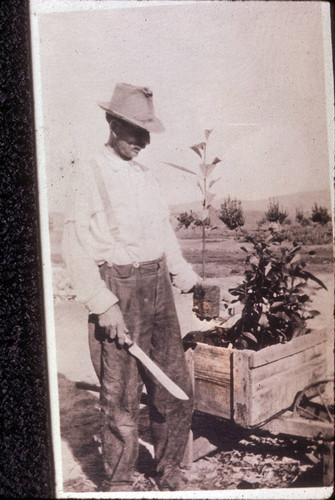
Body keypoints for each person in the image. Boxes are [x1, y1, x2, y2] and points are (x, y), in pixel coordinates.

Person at [62, 83, 200, 492]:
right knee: (120, 394)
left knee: (173, 384)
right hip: (116, 285)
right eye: (134, 131)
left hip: (156, 283)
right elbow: (73, 242)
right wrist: (103, 303)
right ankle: (120, 481)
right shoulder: (88, 170)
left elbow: (162, 232)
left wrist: (181, 270)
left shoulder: (144, 174)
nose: (142, 141)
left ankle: (169, 469)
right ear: (111, 123)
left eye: (147, 133)